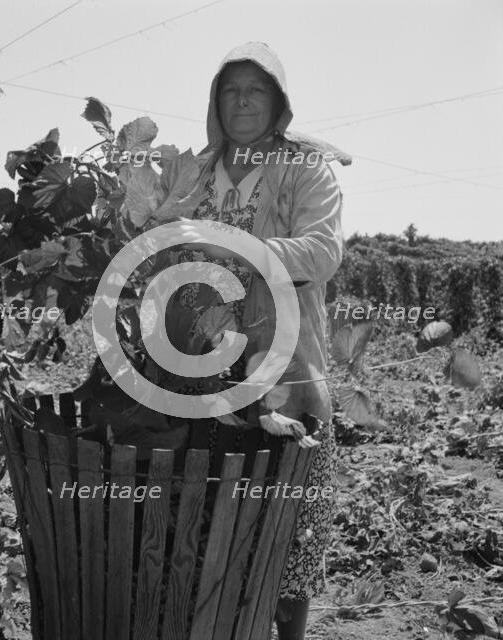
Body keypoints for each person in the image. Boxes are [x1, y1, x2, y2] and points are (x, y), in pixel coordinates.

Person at [161, 42, 350, 639]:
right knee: (205, 521)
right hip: (195, 362)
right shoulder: (193, 170)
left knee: (287, 530)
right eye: (231, 90)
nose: (242, 100)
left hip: (285, 367)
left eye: (256, 89)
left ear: (279, 102)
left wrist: (235, 248)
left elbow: (322, 253)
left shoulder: (305, 169)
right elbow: (157, 239)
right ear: (215, 101)